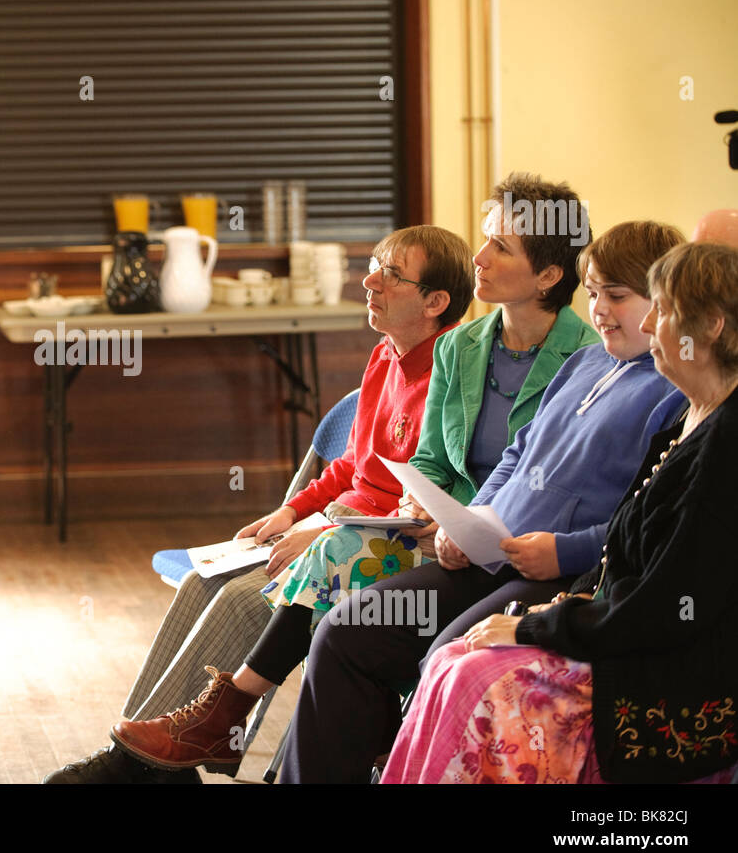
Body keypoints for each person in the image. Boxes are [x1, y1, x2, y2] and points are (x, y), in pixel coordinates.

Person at [102, 174, 603, 776]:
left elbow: (541, 477)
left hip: (500, 551)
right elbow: (427, 463)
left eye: (501, 246)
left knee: (323, 586)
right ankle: (156, 752)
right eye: (484, 239)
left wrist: (439, 518)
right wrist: (425, 507)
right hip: (431, 535)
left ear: (549, 277)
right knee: (251, 588)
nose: (480, 257)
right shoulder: (461, 347)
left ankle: (224, 722)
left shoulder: (588, 363)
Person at [42, 225, 475, 783]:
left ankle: (146, 763)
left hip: (384, 539)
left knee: (246, 601)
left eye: (390, 275)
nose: (368, 281)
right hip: (338, 523)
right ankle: (150, 758)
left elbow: (425, 500)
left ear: (435, 302)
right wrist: (293, 511)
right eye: (373, 264)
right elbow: (354, 466)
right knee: (203, 581)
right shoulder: (385, 356)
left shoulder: (451, 370)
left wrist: (320, 531)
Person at [267, 220, 688, 783]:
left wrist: (564, 552)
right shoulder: (586, 363)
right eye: (593, 295)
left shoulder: (671, 389)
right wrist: (468, 523)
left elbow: (644, 518)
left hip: (556, 573)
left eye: (616, 296)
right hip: (488, 551)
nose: (602, 310)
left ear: (664, 304)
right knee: (345, 630)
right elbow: (517, 453)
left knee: (443, 654)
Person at [383, 241, 738, 784]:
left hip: (671, 687)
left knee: (476, 677)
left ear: (711, 326)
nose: (651, 325)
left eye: (661, 310)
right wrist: (553, 606)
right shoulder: (687, 420)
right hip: (618, 628)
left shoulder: (724, 445)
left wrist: (535, 625)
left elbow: (661, 608)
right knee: (455, 658)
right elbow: (622, 549)